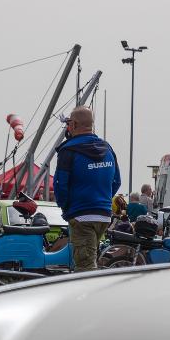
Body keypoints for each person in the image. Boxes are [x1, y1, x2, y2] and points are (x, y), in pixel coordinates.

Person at [54, 106, 121, 271]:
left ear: (74, 124)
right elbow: (116, 181)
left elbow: (60, 185)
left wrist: (66, 207)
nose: (67, 127)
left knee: (85, 268)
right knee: (91, 260)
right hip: (104, 216)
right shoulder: (107, 149)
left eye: (69, 123)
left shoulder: (68, 150)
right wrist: (103, 200)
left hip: (81, 215)